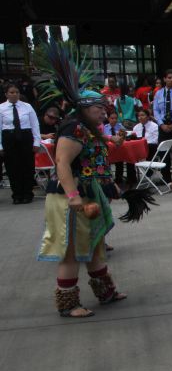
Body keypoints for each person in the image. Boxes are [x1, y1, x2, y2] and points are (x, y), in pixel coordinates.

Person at [38, 89, 130, 318]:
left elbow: (98, 146)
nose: (103, 113)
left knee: (94, 245)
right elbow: (62, 161)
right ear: (85, 108)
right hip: (69, 196)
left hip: (87, 191)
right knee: (71, 251)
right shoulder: (74, 128)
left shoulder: (85, 127)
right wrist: (73, 196)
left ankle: (106, 292)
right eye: (99, 108)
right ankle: (68, 303)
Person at [0, 82, 41, 204]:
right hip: (9, 138)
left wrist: (36, 142)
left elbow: (35, 125)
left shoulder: (27, 107)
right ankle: (17, 194)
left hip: (25, 137)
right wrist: (0, 146)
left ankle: (27, 193)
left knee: (27, 166)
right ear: (6, 94)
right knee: (12, 167)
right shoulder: (1, 108)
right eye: (11, 92)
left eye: (17, 92)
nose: (14, 94)